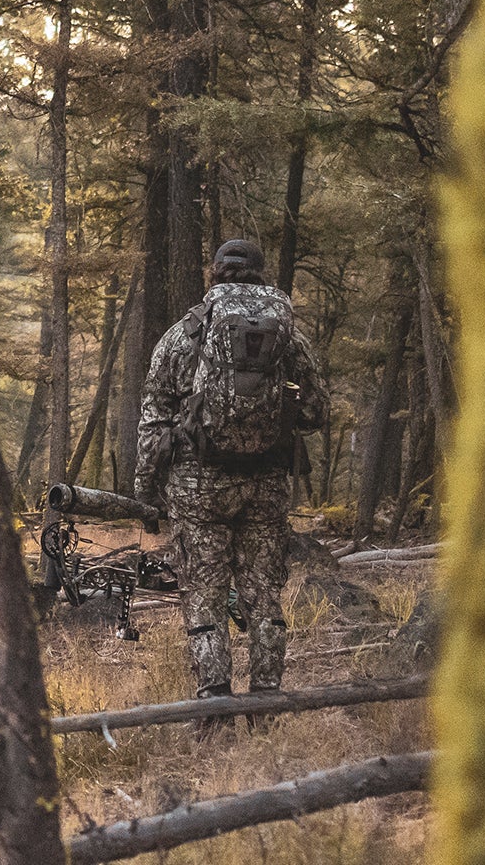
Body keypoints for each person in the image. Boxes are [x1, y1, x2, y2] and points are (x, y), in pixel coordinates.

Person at [135, 238, 327, 705]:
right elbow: (317, 411)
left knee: (204, 597)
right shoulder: (289, 337)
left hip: (199, 489)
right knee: (263, 599)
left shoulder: (185, 334)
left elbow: (154, 416)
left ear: (215, 273)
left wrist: (146, 488)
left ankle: (214, 705)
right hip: (266, 487)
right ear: (260, 275)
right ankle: (267, 705)